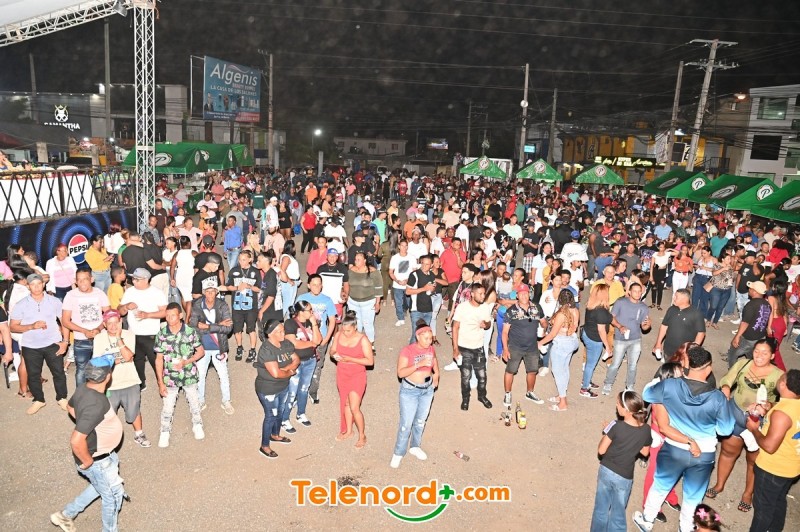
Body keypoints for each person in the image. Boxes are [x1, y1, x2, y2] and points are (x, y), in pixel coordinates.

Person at [634, 346, 735, 532]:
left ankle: (647, 520)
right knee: (693, 496)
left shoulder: (670, 385)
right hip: (703, 454)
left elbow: (647, 394)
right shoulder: (718, 398)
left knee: (660, 485)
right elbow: (725, 429)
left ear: (689, 365)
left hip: (674, 447)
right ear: (709, 368)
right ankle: (686, 528)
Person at [706, 338, 784, 513]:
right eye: (756, 351)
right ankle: (719, 485)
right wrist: (726, 388)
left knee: (753, 460)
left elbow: (785, 401)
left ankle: (748, 494)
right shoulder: (743, 364)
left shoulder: (779, 375)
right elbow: (727, 379)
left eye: (764, 353)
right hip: (735, 413)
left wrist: (769, 406)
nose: (759, 356)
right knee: (728, 451)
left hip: (758, 421)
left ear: (772, 356)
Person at [49, 356, 125, 532]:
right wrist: (88, 461)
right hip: (98, 460)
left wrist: (86, 422)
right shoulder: (96, 403)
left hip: (104, 455)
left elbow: (70, 407)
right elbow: (76, 441)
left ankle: (65, 515)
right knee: (113, 496)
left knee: (101, 487)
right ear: (108, 376)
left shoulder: (84, 387)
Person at [746, 369, 800, 532]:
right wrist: (770, 406)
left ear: (783, 384)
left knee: (763, 509)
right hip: (792, 467)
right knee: (778, 500)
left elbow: (769, 446)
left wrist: (754, 428)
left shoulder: (781, 414)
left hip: (773, 469)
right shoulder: (792, 405)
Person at [590, 390, 652, 532]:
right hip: (625, 476)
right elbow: (645, 452)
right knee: (618, 515)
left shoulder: (616, 426)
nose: (616, 406)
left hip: (606, 471)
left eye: (618, 404)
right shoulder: (646, 429)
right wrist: (632, 442)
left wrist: (607, 432)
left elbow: (601, 450)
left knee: (601, 510)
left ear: (627, 410)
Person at [9, 273, 69, 415]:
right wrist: (31, 326)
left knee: (59, 372)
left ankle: (62, 398)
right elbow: (13, 326)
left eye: (39, 284)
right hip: (30, 345)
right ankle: (39, 400)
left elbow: (64, 322)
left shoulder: (54, 301)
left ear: (43, 284)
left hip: (53, 343)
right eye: (32, 284)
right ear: (28, 286)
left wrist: (65, 342)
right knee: (33, 375)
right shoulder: (21, 304)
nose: (36, 287)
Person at [92, 309, 151, 448]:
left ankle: (139, 434)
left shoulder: (129, 335)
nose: (113, 326)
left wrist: (119, 339)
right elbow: (98, 362)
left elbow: (129, 356)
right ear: (104, 324)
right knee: (107, 414)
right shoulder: (99, 338)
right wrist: (118, 359)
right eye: (109, 323)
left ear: (121, 322)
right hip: (109, 384)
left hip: (130, 380)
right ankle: (107, 440)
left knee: (134, 410)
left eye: (116, 323)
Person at [390, 320, 440, 469]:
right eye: (426, 338)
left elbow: (435, 361)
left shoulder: (430, 349)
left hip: (427, 390)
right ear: (418, 336)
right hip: (410, 391)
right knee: (406, 424)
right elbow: (400, 373)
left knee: (420, 421)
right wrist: (420, 363)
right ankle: (398, 453)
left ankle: (415, 446)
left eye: (431, 338)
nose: (429, 341)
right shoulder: (407, 351)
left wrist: (436, 375)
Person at [154, 302, 205, 448]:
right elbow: (158, 359)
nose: (170, 318)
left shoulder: (190, 332)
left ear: (180, 316)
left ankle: (197, 424)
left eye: (173, 315)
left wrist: (187, 361)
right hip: (170, 377)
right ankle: (165, 431)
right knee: (167, 407)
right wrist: (160, 382)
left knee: (194, 402)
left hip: (188, 375)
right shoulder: (162, 335)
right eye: (167, 316)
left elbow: (201, 351)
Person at [189, 278, 235, 415]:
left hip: (218, 346)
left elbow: (228, 328)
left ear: (216, 292)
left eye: (212, 291)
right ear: (203, 292)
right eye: (207, 291)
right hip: (202, 347)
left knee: (223, 375)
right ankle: (200, 400)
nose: (210, 294)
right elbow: (193, 327)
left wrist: (207, 326)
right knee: (200, 375)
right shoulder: (197, 305)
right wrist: (218, 325)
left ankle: (226, 401)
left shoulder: (222, 305)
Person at [255, 319, 299, 459]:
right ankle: (264, 446)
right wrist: (290, 372)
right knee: (271, 415)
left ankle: (275, 435)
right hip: (268, 389)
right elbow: (276, 374)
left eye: (283, 330)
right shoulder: (266, 350)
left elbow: (296, 360)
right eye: (279, 331)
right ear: (270, 334)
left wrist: (285, 370)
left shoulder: (285, 343)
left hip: (283, 386)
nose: (283, 333)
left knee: (280, 411)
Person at [118, 268, 168, 390]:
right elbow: (120, 311)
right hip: (133, 333)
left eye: (137, 279)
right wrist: (126, 306)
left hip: (151, 334)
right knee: (137, 361)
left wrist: (147, 315)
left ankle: (164, 383)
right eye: (133, 278)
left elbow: (165, 312)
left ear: (146, 280)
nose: (134, 281)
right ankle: (141, 383)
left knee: (156, 361)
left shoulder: (157, 293)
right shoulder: (129, 292)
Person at [330, 311, 373, 448]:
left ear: (355, 327)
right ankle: (349, 431)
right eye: (343, 330)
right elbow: (332, 350)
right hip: (342, 373)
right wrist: (335, 355)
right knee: (346, 403)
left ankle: (362, 435)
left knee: (354, 407)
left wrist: (350, 359)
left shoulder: (363, 340)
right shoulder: (339, 335)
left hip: (357, 375)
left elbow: (370, 361)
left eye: (348, 330)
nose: (345, 333)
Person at [62, 269, 110, 386]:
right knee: (81, 370)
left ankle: (100, 393)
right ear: (75, 281)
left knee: (102, 368)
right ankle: (81, 395)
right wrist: (84, 331)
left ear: (91, 280)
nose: (82, 282)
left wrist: (98, 329)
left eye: (85, 279)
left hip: (100, 338)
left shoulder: (100, 293)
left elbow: (109, 316)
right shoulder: (70, 295)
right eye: (79, 280)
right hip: (80, 340)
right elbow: (65, 321)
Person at [501, 283, 547, 406]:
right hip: (515, 347)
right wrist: (505, 349)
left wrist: (544, 327)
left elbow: (543, 321)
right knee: (510, 370)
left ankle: (530, 392)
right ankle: (507, 393)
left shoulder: (537, 307)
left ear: (529, 294)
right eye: (521, 294)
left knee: (532, 371)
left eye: (526, 293)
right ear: (517, 296)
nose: (524, 296)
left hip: (532, 347)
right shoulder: (511, 311)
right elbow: (505, 332)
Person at [281, 300, 322, 434]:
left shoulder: (311, 322)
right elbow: (294, 343)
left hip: (310, 361)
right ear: (301, 312)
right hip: (296, 363)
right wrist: (311, 343)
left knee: (304, 389)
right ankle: (284, 419)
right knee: (292, 392)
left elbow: (319, 340)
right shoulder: (290, 323)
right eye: (309, 310)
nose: (312, 312)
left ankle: (301, 414)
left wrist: (314, 323)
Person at [602, 283, 651, 396]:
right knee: (615, 363)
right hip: (620, 339)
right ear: (629, 292)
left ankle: (630, 386)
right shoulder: (621, 302)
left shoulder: (643, 307)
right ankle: (608, 383)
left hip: (635, 339)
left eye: (639, 291)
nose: (637, 293)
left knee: (632, 365)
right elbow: (611, 317)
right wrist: (620, 327)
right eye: (635, 291)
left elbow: (644, 327)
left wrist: (648, 325)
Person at [451, 283, 493, 410]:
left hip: (478, 347)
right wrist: (455, 349)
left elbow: (489, 323)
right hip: (464, 347)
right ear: (472, 294)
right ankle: (465, 398)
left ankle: (482, 396)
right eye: (480, 294)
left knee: (482, 375)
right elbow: (455, 327)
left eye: (484, 293)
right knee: (466, 376)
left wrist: (486, 324)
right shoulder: (462, 307)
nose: (483, 296)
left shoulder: (485, 307)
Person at [298, 274, 338, 405]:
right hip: (304, 339)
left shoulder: (327, 300)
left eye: (319, 284)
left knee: (317, 365)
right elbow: (296, 318)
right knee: (301, 364)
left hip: (321, 338)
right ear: (308, 285)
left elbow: (332, 321)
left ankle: (313, 390)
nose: (316, 287)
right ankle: (300, 390)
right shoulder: (301, 299)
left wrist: (327, 338)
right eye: (314, 284)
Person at [538, 289, 580, 412]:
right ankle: (561, 395)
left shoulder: (562, 315)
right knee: (565, 368)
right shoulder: (575, 310)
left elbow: (552, 334)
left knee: (557, 371)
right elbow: (574, 327)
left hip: (562, 344)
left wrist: (540, 343)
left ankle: (563, 403)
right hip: (572, 341)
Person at [726, 280, 771, 369]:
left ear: (755, 291)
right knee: (751, 354)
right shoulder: (767, 304)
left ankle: (733, 372)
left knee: (732, 353)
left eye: (750, 288)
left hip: (749, 337)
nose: (749, 290)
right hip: (760, 336)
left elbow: (745, 323)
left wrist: (737, 336)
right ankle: (752, 370)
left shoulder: (751, 305)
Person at [225, 250, 260, 362]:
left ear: (250, 259)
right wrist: (237, 288)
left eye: (244, 260)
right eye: (240, 259)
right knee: (237, 329)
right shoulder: (234, 271)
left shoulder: (255, 272)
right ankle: (239, 347)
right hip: (237, 306)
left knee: (251, 329)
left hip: (251, 307)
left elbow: (259, 289)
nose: (241, 262)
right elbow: (228, 286)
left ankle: (252, 350)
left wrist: (249, 286)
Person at [652, 289, 705, 363]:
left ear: (684, 299)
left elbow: (701, 333)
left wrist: (693, 350)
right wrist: (658, 343)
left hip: (684, 354)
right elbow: (664, 326)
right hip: (668, 350)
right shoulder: (671, 309)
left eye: (676, 297)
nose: (673, 298)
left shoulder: (696, 314)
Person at [580, 283, 613, 398]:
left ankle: (586, 381)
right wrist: (607, 346)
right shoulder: (601, 311)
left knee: (589, 362)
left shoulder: (591, 305)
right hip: (594, 339)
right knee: (591, 364)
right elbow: (601, 331)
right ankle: (584, 389)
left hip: (587, 333)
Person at [346, 251, 382, 349]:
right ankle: (357, 343)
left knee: (367, 324)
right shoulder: (351, 270)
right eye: (355, 260)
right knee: (356, 324)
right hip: (353, 302)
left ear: (364, 260)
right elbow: (346, 284)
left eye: (359, 260)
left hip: (368, 303)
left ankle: (370, 344)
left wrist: (377, 303)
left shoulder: (373, 272)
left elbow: (378, 288)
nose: (356, 261)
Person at [405, 254, 436, 343]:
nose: (424, 266)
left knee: (425, 334)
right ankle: (411, 351)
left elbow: (432, 290)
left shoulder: (432, 275)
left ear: (431, 265)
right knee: (416, 335)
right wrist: (424, 288)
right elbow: (407, 291)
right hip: (416, 310)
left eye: (427, 264)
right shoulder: (414, 275)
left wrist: (432, 289)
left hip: (428, 308)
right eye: (423, 263)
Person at [389, 240, 418, 326]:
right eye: (402, 245)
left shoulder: (412, 257)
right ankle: (400, 318)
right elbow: (390, 272)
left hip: (408, 284)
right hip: (397, 285)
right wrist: (397, 280)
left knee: (410, 302)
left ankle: (412, 315)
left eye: (406, 246)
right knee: (398, 303)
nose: (404, 248)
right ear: (399, 246)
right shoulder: (394, 258)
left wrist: (407, 280)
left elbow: (414, 272)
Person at [705, 253, 736, 329]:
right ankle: (708, 319)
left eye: (730, 259)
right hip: (716, 289)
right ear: (723, 259)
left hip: (727, 289)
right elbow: (714, 273)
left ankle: (715, 322)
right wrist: (723, 269)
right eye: (728, 259)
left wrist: (732, 279)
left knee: (721, 307)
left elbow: (732, 276)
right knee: (713, 306)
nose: (730, 260)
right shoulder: (717, 265)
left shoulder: (730, 267)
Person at [278, 241, 301, 318]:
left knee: (290, 304)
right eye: (294, 246)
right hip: (289, 284)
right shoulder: (286, 257)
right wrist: (289, 280)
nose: (295, 248)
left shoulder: (288, 256)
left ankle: (288, 320)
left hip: (292, 282)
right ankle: (279, 320)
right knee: (287, 304)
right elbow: (282, 270)